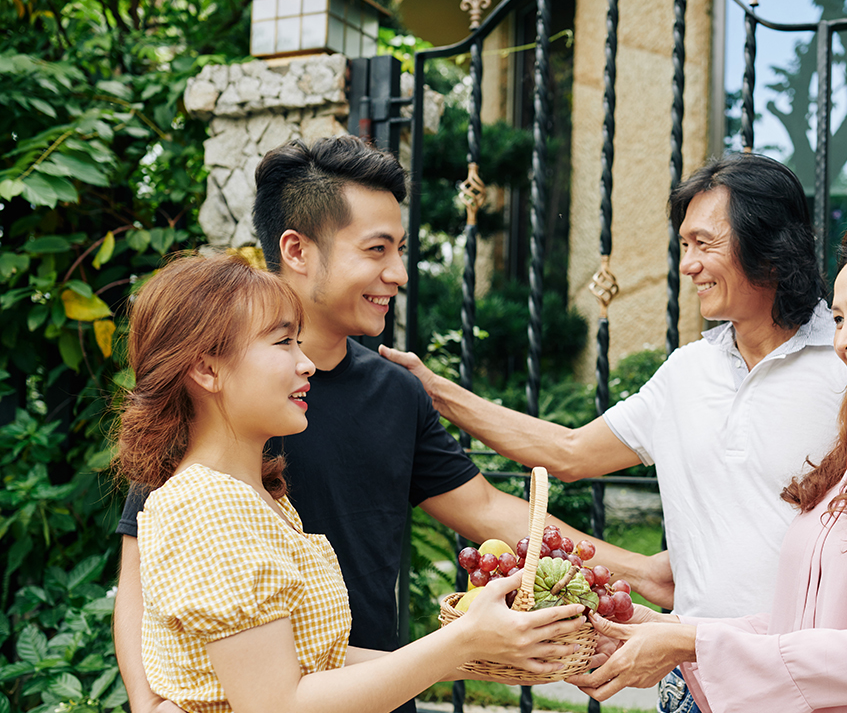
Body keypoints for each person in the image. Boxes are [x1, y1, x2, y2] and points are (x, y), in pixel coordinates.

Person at [112, 135, 656, 713]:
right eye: (376, 249)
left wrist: (641, 572)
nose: (397, 272)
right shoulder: (213, 440)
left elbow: (488, 511)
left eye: (400, 248)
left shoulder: (396, 392)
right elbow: (144, 578)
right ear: (297, 250)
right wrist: (151, 704)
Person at [380, 153, 847, 710]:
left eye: (705, 244)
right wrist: (435, 391)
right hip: (693, 684)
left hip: (806, 685)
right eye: (684, 247)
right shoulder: (687, 373)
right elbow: (569, 452)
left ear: (769, 242)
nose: (689, 265)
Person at [565, 219, 847, 713]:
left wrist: (691, 645)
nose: (845, 338)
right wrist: (671, 631)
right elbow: (800, 628)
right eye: (839, 319)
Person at [115, 253, 584, 713]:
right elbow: (278, 705)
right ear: (207, 369)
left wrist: (480, 653)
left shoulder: (254, 498)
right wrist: (461, 641)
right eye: (282, 343)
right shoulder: (209, 506)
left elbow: (316, 663)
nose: (307, 364)